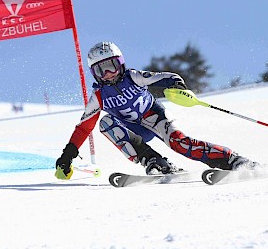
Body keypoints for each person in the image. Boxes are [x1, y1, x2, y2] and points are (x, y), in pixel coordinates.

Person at [55, 42, 257, 180]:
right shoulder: (98, 96)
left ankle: (233, 160)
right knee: (105, 123)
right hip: (134, 130)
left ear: (121, 64)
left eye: (111, 66)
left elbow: (167, 77)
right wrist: (67, 156)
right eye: (101, 70)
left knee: (181, 144)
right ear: (95, 74)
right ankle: (154, 161)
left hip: (155, 118)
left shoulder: (133, 77)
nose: (108, 74)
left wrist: (178, 85)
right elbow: (83, 128)